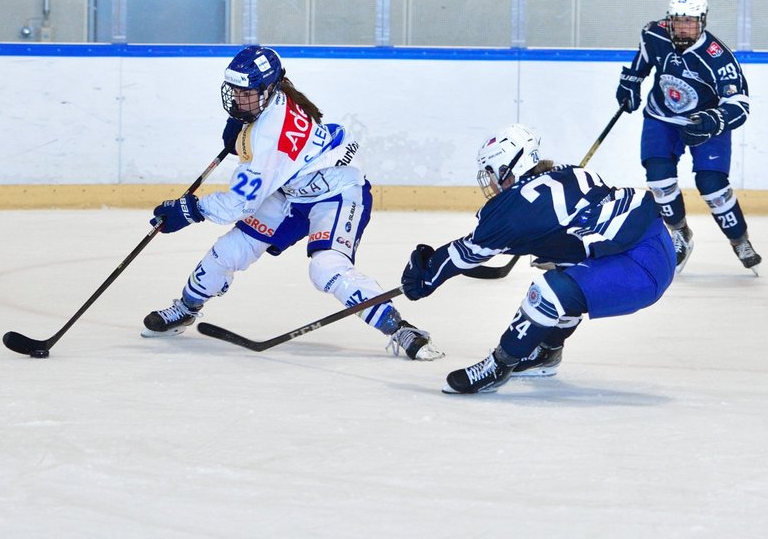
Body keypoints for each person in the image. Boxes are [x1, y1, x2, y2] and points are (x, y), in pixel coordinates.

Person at [142, 45, 443, 361]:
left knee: (326, 268)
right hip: (291, 190)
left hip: (336, 191)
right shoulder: (274, 101)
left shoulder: (270, 133)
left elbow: (239, 204)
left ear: (269, 88)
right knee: (229, 251)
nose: (238, 99)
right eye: (235, 91)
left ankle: (401, 328)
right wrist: (245, 127)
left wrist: (191, 210)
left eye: (247, 93)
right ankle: (185, 309)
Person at [400, 124, 675, 394]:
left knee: (548, 291)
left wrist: (426, 277)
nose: (491, 181)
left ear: (509, 168)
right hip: (656, 243)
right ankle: (547, 353)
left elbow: (468, 252)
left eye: (492, 172)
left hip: (640, 266)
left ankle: (498, 366)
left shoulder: (512, 211)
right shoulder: (571, 172)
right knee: (567, 271)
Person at [616, 0, 758, 274]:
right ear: (669, 19)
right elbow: (642, 62)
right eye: (677, 20)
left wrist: (714, 120)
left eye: (690, 21)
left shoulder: (717, 57)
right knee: (658, 178)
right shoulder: (654, 33)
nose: (682, 27)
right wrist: (630, 82)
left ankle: (739, 239)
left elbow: (740, 105)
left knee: (712, 185)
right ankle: (680, 233)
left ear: (702, 20)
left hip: (704, 122)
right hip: (662, 117)